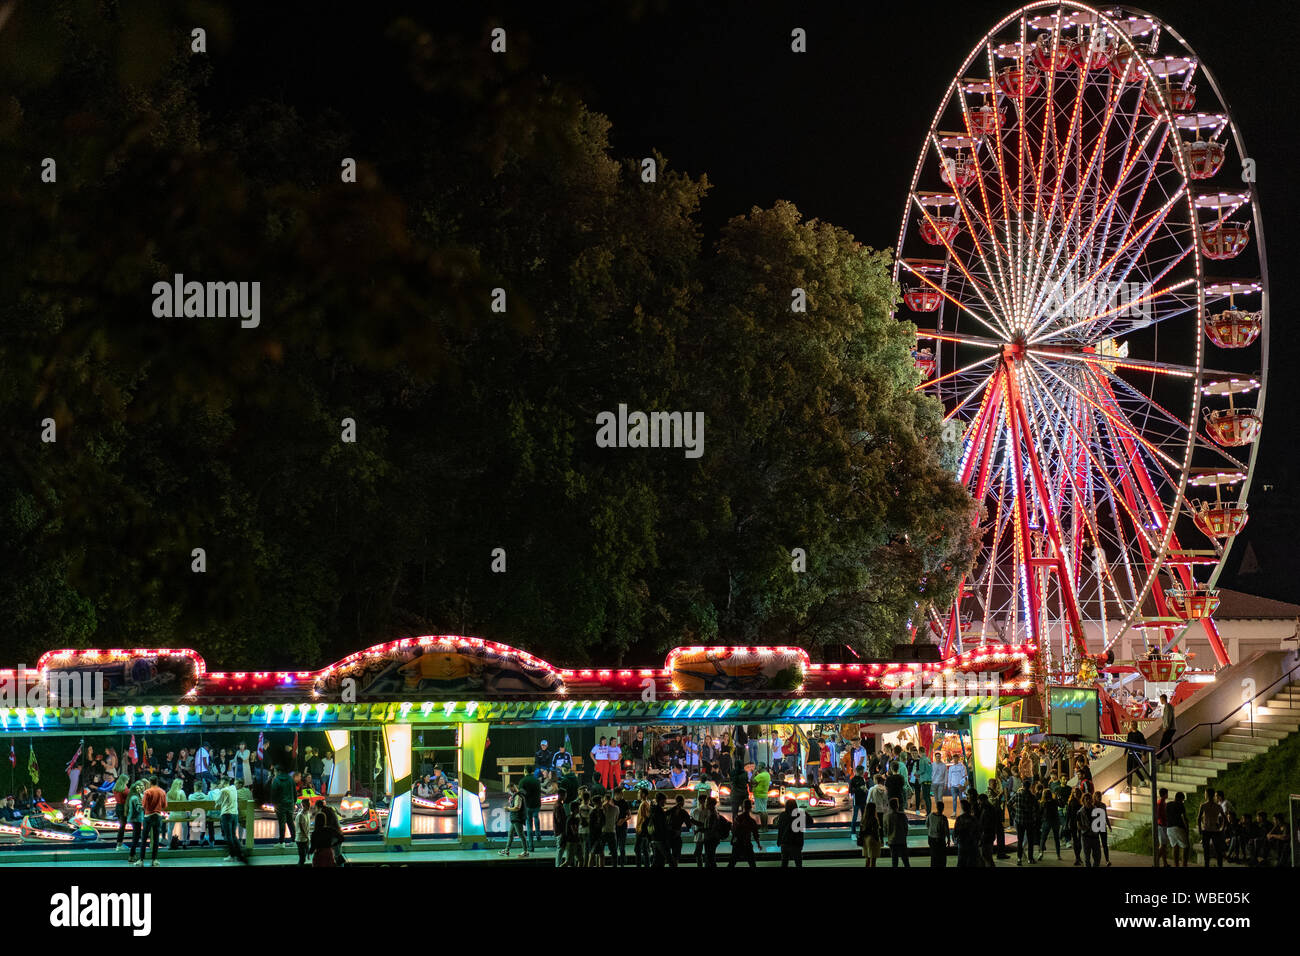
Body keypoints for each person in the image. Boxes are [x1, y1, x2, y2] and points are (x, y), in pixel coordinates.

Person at [216, 777, 246, 863]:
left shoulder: (223, 790)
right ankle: (240, 854)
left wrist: (219, 790)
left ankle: (232, 855)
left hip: (226, 814)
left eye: (221, 781)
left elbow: (217, 801)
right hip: (235, 814)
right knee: (233, 835)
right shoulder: (233, 788)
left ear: (223, 782)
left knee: (228, 836)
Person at [139, 776, 167, 867]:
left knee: (144, 839)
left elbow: (144, 806)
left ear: (150, 782)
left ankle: (141, 860)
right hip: (158, 816)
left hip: (148, 817)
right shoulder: (162, 792)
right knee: (156, 839)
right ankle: (154, 860)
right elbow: (164, 806)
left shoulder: (147, 792)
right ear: (157, 782)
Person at [727, 799, 761, 867]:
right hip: (747, 843)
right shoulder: (752, 821)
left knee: (732, 862)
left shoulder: (737, 818)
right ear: (751, 808)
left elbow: (734, 831)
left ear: (743, 807)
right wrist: (758, 844)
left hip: (738, 843)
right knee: (752, 863)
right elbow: (755, 834)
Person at [1197, 787, 1225, 867]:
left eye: (1205, 793)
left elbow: (1198, 818)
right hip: (1215, 830)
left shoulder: (1203, 805)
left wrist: (1199, 828)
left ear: (1207, 795)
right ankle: (1220, 865)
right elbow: (1224, 818)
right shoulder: (1218, 806)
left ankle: (1207, 865)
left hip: (1206, 829)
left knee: (1206, 850)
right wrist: (1222, 828)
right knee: (1218, 850)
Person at [270, 763, 297, 846]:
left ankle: (281, 842)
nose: (274, 773)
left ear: (278, 771)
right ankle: (293, 841)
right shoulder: (290, 779)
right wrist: (294, 802)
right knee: (291, 822)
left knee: (281, 823)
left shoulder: (277, 780)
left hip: (280, 805)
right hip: (290, 804)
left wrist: (274, 804)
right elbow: (294, 792)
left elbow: (273, 793)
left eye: (274, 771)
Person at [500, 783, 529, 858]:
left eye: (509, 790)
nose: (508, 792)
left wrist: (508, 808)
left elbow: (517, 808)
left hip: (517, 818)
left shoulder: (518, 796)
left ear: (512, 788)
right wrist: (510, 802)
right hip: (515, 818)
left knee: (521, 835)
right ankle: (507, 850)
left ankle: (525, 851)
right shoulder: (515, 796)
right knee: (510, 834)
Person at [776, 798, 806, 867]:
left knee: (784, 863)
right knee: (798, 863)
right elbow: (810, 821)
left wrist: (779, 840)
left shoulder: (782, 815)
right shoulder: (800, 815)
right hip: (796, 843)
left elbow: (780, 829)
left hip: (785, 843)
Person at [517, 766, 541, 851]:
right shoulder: (536, 780)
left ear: (525, 771)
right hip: (537, 803)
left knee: (529, 826)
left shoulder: (522, 781)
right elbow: (539, 791)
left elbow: (520, 793)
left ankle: (531, 846)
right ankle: (538, 834)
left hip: (527, 805)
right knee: (536, 817)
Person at [1015, 776, 1037, 864]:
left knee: (1020, 840)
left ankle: (1019, 859)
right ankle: (1030, 859)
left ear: (1022, 786)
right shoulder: (1032, 796)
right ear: (1030, 787)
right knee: (1030, 840)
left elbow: (1009, 803)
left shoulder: (1018, 794)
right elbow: (1036, 807)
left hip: (1019, 820)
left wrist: (1016, 811)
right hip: (1029, 821)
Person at [1165, 790, 1190, 866]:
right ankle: (1184, 865)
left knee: (1175, 847)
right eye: (1183, 800)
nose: (1183, 801)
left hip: (1169, 828)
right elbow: (1184, 818)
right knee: (1186, 847)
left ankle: (1176, 865)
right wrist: (1187, 829)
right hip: (1178, 827)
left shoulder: (1168, 804)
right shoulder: (1180, 805)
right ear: (1181, 799)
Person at [124, 781, 146, 865]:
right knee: (135, 838)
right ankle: (131, 855)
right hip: (136, 819)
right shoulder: (135, 798)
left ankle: (132, 855)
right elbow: (138, 808)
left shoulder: (133, 796)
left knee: (135, 837)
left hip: (135, 819)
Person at [954, 798, 980, 867]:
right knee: (972, 861)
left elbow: (956, 831)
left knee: (961, 861)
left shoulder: (959, 818)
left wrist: (955, 839)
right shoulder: (973, 819)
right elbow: (978, 831)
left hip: (962, 843)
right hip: (972, 843)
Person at [857, 801, 881, 867]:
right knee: (873, 861)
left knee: (867, 860)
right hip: (872, 840)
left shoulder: (864, 819)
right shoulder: (874, 819)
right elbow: (875, 831)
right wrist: (879, 841)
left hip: (865, 840)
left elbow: (861, 831)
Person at [927, 797, 950, 867]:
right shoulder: (943, 818)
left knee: (933, 856)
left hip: (931, 838)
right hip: (940, 839)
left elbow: (927, 825)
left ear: (936, 807)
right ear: (943, 808)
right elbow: (946, 830)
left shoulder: (930, 815)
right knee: (942, 857)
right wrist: (948, 839)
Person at [1157, 693, 1177, 766]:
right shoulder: (1167, 707)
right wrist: (1162, 726)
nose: (1160, 701)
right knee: (1167, 744)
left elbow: (1168, 718)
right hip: (1170, 728)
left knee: (1163, 743)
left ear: (1163, 699)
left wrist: (1166, 727)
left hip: (1170, 729)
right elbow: (1166, 719)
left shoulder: (1168, 707)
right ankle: (1172, 759)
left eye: (1161, 700)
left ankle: (1158, 758)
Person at [849, 765, 868, 836]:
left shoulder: (862, 779)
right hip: (857, 800)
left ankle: (863, 831)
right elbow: (851, 791)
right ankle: (853, 832)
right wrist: (860, 788)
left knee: (863, 817)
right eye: (863, 771)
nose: (863, 772)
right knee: (855, 816)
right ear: (860, 771)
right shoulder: (853, 780)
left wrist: (865, 790)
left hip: (863, 800)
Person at [750, 763, 771, 828]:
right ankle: (765, 827)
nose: (757, 768)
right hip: (764, 794)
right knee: (764, 811)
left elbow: (752, 781)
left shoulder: (760, 775)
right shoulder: (767, 774)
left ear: (761, 767)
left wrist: (754, 773)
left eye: (758, 766)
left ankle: (763, 827)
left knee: (761, 812)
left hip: (759, 795)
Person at [294, 797, 314, 865]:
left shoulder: (307, 813)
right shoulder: (300, 815)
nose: (309, 807)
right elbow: (302, 829)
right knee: (302, 859)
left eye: (309, 805)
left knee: (303, 858)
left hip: (305, 838)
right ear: (303, 805)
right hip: (301, 839)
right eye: (307, 805)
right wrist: (307, 836)